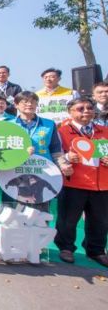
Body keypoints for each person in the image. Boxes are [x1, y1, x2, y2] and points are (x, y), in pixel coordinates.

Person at [55, 98, 108, 267]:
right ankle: (66, 248)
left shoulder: (104, 131)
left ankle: (97, 250)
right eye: (80, 108)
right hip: (74, 183)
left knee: (100, 220)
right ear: (70, 112)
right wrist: (67, 157)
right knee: (68, 220)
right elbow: (54, 154)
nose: (86, 111)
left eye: (89, 108)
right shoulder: (61, 131)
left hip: (101, 184)